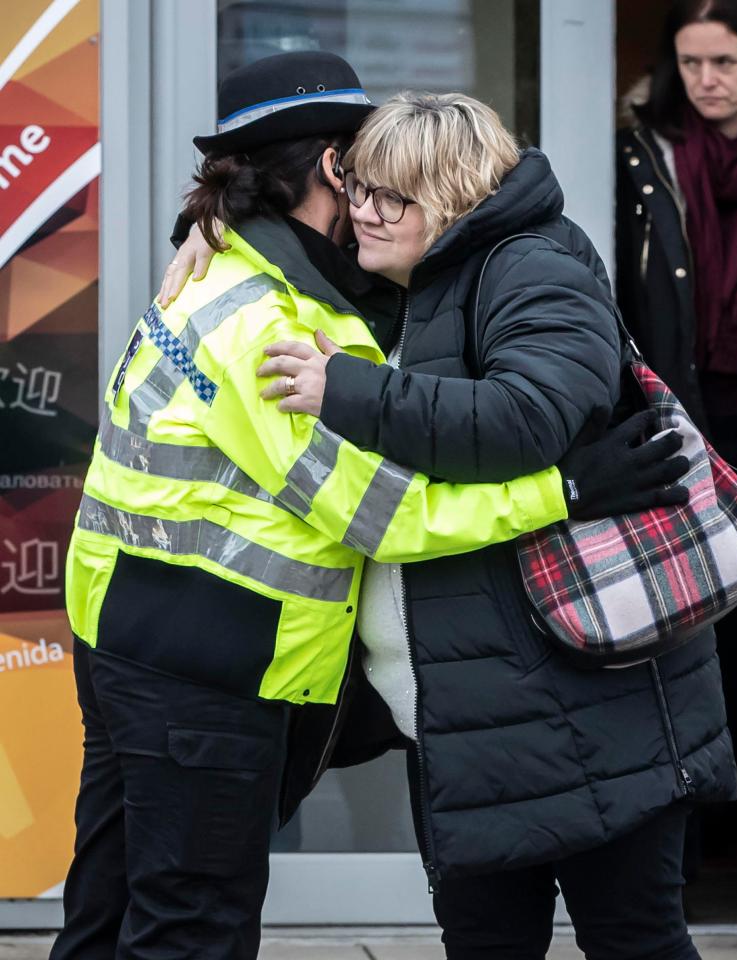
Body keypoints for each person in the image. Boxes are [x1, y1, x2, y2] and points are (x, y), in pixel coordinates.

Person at [52, 52, 688, 960]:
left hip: (137, 639)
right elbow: (381, 514)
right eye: (365, 171)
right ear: (328, 169)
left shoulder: (229, 269)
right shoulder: (274, 326)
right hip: (206, 672)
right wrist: (565, 490)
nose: (372, 202)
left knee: (111, 915)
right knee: (189, 928)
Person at [615, 0, 737, 944]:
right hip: (684, 433)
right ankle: (670, 872)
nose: (707, 81)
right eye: (691, 62)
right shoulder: (641, 156)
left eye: (725, 61)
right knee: (679, 648)